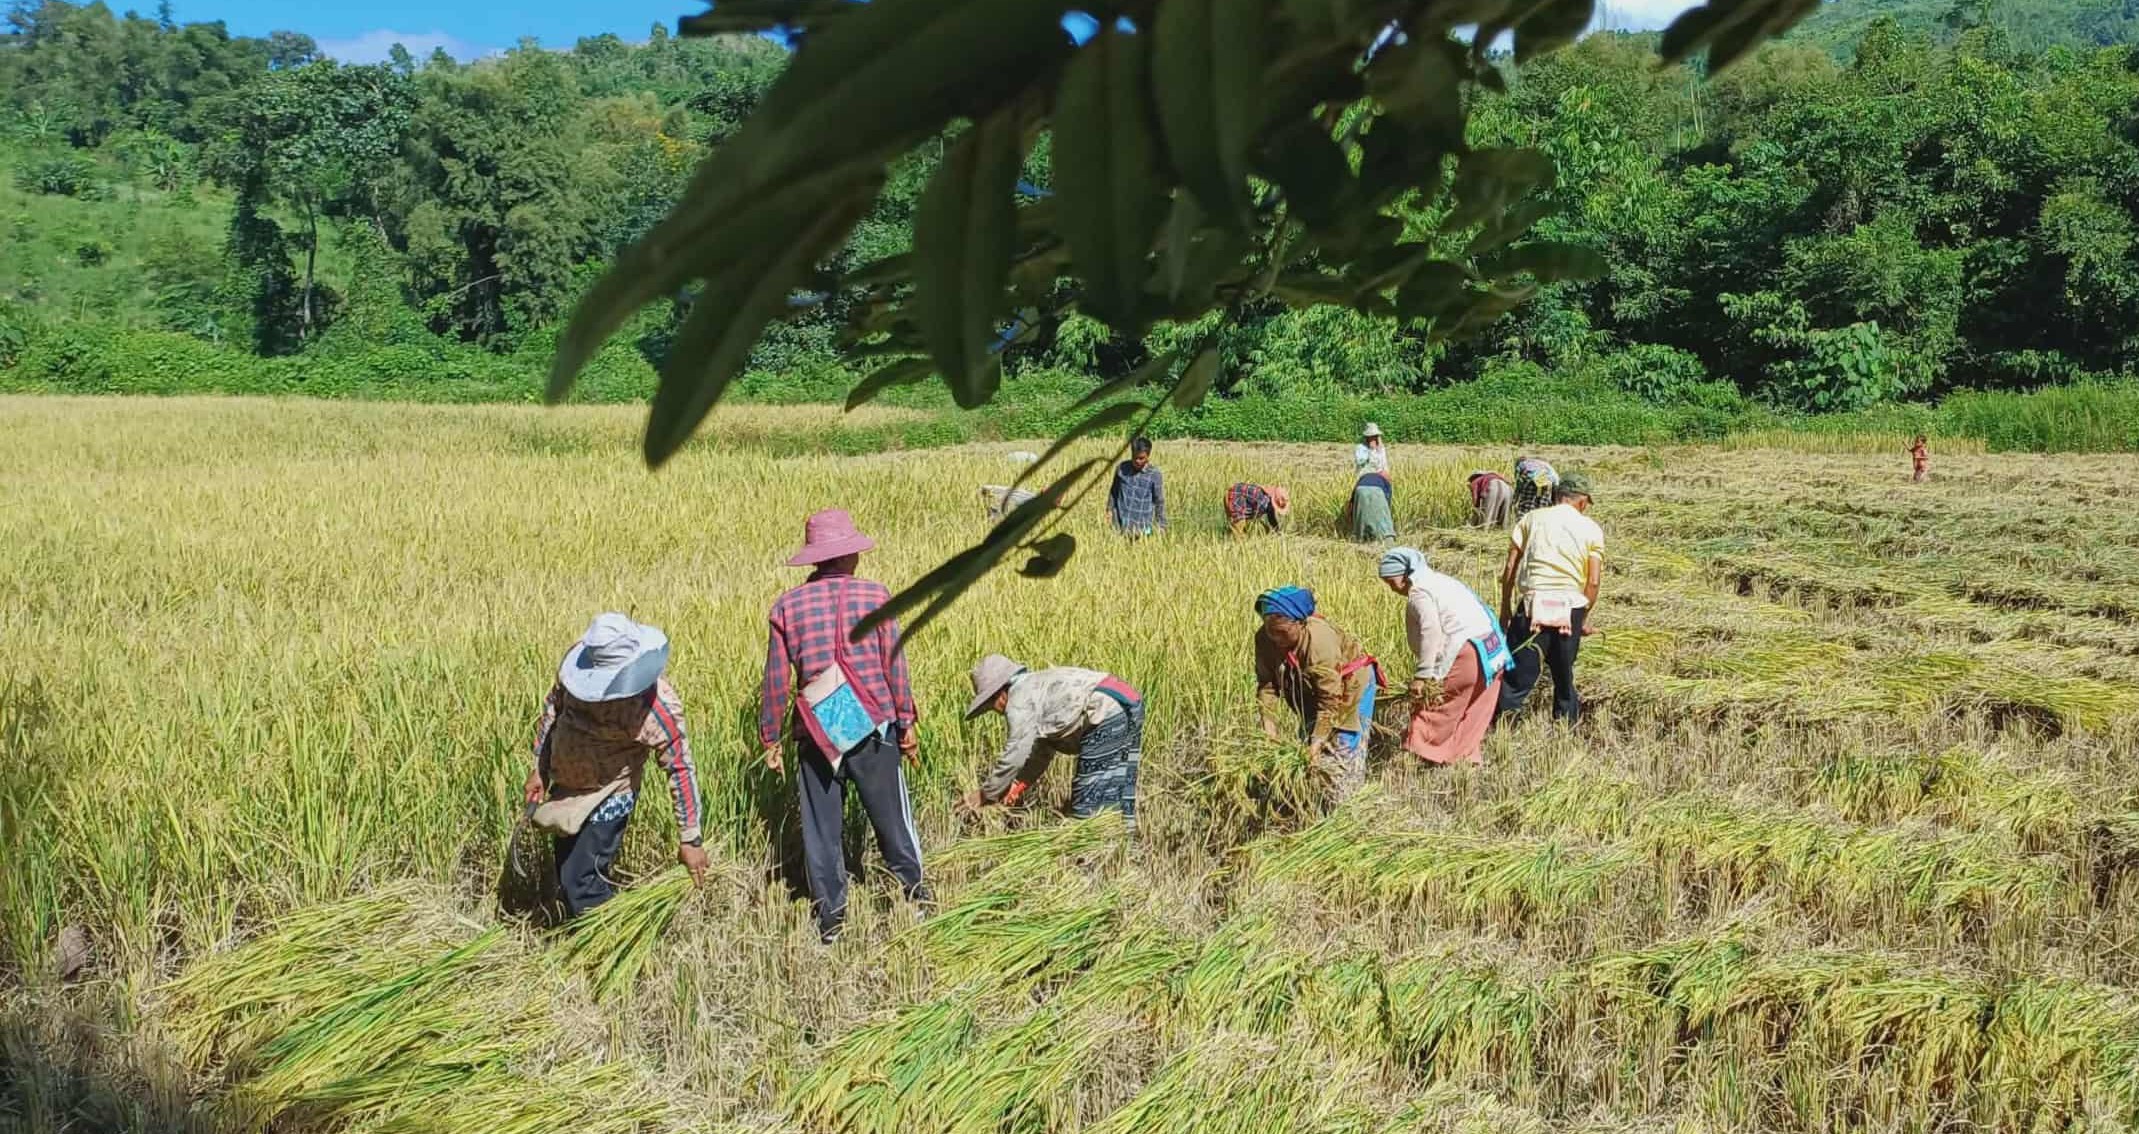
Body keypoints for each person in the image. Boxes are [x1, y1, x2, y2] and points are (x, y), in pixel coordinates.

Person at [760, 508, 929, 943]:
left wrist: (769, 737)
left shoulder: (787, 606)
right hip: (872, 723)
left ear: (816, 559)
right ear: (850, 555)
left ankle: (831, 922)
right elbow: (896, 665)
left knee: (821, 829)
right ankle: (917, 898)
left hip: (817, 730)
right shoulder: (875, 597)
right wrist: (905, 721)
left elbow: (776, 680)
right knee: (891, 818)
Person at [527, 613, 709, 917]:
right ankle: (582, 942)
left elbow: (680, 769)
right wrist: (539, 768)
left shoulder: (656, 707)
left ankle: (604, 949)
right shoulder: (573, 675)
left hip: (610, 794)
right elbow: (552, 711)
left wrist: (690, 838)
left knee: (581, 882)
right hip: (566, 790)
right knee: (565, 874)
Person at [958, 655, 1144, 833]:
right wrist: (1017, 785)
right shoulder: (1036, 689)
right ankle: (1123, 849)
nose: (994, 710)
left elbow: (1015, 755)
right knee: (1117, 789)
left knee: (1087, 802)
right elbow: (1042, 750)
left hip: (1105, 710)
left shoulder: (1018, 700)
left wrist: (986, 794)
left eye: (990, 704)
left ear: (1000, 694)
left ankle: (1089, 857)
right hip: (1127, 703)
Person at [1378, 548, 1511, 766]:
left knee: (1434, 707)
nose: (1391, 588)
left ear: (1405, 574)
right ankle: (1464, 759)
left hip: (1468, 651)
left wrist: (1423, 675)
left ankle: (1416, 756)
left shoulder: (1419, 592)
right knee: (1475, 707)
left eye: (1391, 581)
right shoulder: (1441, 581)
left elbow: (1431, 631)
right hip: (1493, 649)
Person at [1253, 586, 1381, 802]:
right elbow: (1267, 685)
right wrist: (1269, 732)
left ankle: (1345, 804)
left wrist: (1317, 742)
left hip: (1349, 686)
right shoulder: (1265, 639)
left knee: (1341, 747)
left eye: (1283, 632)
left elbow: (1329, 700)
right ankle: (1312, 800)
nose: (1276, 639)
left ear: (1301, 624)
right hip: (1310, 688)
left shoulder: (1320, 643)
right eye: (1270, 631)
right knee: (1307, 746)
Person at [1495, 472, 1603, 726]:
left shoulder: (1531, 519)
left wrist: (1505, 609)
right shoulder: (1591, 528)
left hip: (1533, 603)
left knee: (1517, 676)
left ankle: (1505, 727)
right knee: (1564, 676)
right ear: (1583, 501)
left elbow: (1510, 568)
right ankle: (1565, 727)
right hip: (1570, 607)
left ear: (1557, 495)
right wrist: (1582, 619)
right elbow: (1594, 581)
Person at [1107, 436, 1167, 538]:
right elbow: (1114, 491)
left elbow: (1159, 501)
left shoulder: (1154, 475)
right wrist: (1109, 509)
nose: (1137, 461)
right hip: (1120, 524)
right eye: (1134, 457)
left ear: (1148, 455)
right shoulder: (1121, 468)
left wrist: (1162, 526)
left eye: (1141, 458)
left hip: (1143, 528)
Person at [1224, 482, 1291, 536]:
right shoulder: (1263, 503)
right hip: (1235, 495)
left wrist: (1277, 530)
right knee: (1239, 526)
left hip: (1235, 491)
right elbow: (1254, 519)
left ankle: (1226, 536)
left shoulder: (1268, 497)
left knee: (1236, 526)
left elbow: (1271, 516)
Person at [1512, 456, 1558, 521]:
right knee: (1542, 509)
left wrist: (1514, 499)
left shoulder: (1522, 464)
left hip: (1532, 480)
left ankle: (1523, 525)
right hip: (1548, 482)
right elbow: (1555, 484)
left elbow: (1519, 482)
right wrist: (1554, 503)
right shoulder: (1547, 466)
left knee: (1526, 508)